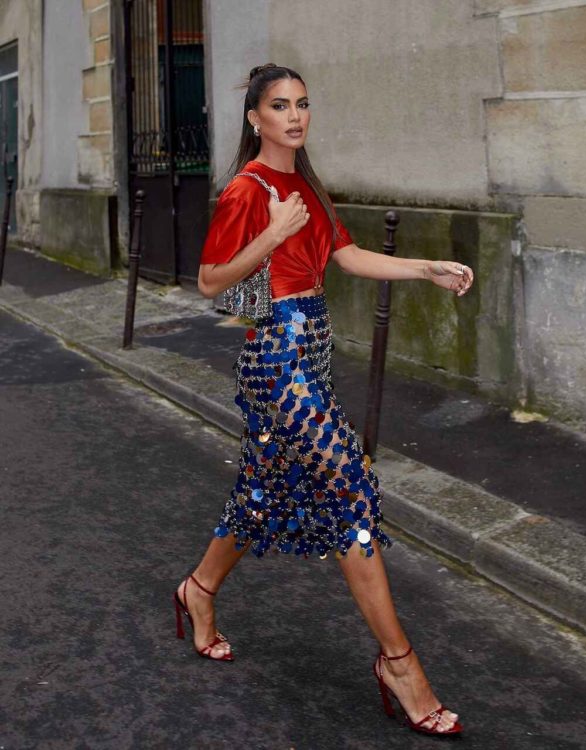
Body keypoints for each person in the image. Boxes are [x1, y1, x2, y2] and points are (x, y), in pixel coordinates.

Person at [174, 63, 473, 737]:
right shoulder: (248, 191)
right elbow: (209, 282)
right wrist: (273, 236)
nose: (296, 115)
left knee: (261, 491)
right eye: (280, 105)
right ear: (256, 118)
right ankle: (400, 664)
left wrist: (425, 268)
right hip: (275, 358)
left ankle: (198, 590)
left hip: (312, 353)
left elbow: (347, 255)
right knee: (350, 489)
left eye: (303, 104)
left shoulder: (305, 183)